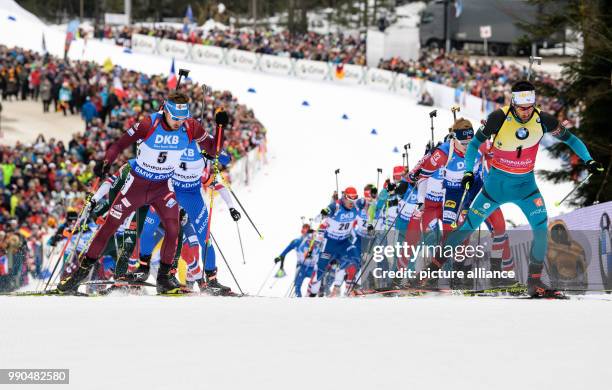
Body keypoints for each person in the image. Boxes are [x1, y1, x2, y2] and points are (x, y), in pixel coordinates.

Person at [429, 80, 604, 297]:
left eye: (529, 103)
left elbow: (571, 139)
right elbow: (474, 145)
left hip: (526, 187)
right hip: (496, 187)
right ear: (513, 101)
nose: (525, 110)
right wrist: (467, 172)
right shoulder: (499, 118)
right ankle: (432, 269)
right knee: (468, 226)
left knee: (541, 229)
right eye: (520, 104)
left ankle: (534, 281)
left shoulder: (543, 120)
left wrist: (588, 160)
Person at [57, 90, 226, 294]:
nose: (178, 123)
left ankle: (164, 279)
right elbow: (119, 144)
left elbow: (214, 150)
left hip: (163, 187)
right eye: (175, 118)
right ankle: (76, 278)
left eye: (182, 118)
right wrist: (106, 162)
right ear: (165, 111)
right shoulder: (149, 123)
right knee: (109, 226)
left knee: (173, 230)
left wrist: (220, 127)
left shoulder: (190, 126)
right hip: (137, 185)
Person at [309, 187, 359, 297]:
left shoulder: (356, 208)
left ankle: (348, 288)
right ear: (344, 197)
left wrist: (369, 226)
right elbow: (317, 219)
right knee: (321, 270)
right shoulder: (335, 206)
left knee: (355, 257)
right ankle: (312, 294)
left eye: (355, 199)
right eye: (350, 199)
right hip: (329, 243)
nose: (352, 202)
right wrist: (322, 214)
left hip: (344, 242)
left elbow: (364, 217)